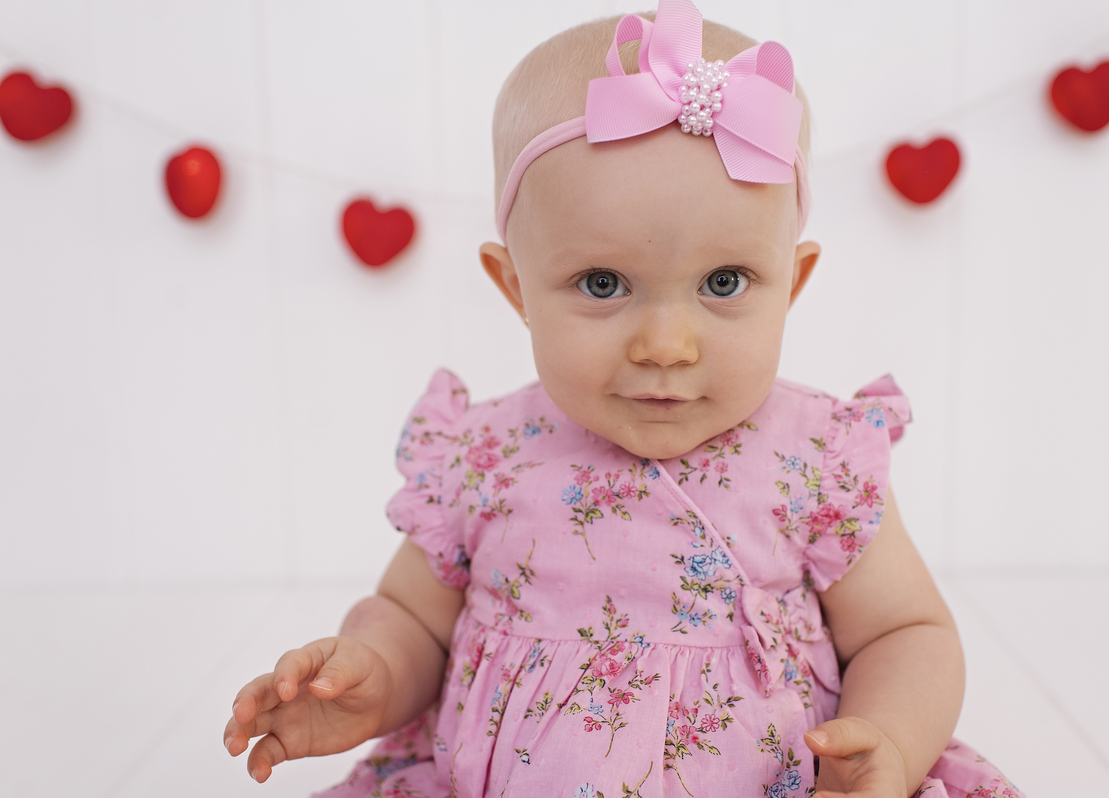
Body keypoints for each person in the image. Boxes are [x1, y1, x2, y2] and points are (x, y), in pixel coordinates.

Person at [224, 2, 1023, 796]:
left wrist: (889, 739)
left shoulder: (817, 459)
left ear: (793, 283)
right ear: (516, 287)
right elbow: (413, 617)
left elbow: (905, 632)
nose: (666, 344)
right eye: (603, 284)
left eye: (724, 283)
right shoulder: (484, 454)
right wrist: (372, 673)